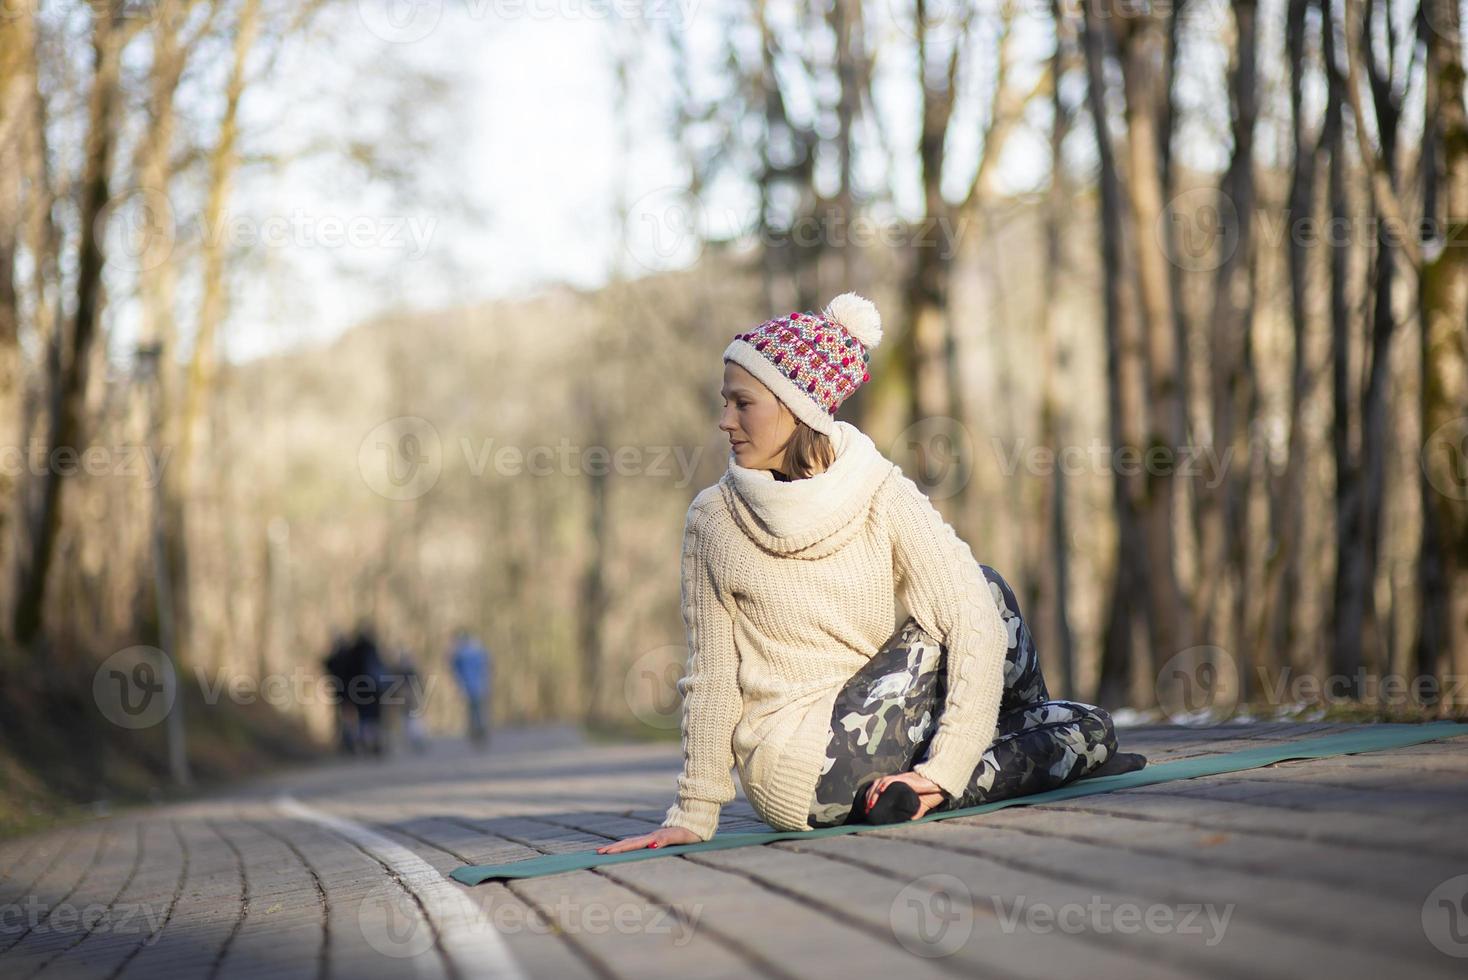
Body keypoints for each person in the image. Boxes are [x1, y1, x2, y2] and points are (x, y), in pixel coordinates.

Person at [598, 292, 1145, 854]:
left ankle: (966, 766)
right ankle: (993, 761)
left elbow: (712, 675)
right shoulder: (717, 519)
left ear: (797, 407)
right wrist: (692, 810)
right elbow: (712, 674)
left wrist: (697, 810)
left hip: (854, 755)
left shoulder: (878, 491)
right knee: (982, 592)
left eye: (742, 404)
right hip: (809, 768)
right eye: (725, 403)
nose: (724, 421)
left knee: (1091, 724)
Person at [450, 628, 492, 748]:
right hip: (479, 685)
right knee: (478, 710)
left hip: (469, 686)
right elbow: (488, 665)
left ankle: (477, 732)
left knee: (473, 711)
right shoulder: (478, 650)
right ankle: (480, 731)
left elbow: (454, 668)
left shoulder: (460, 653)